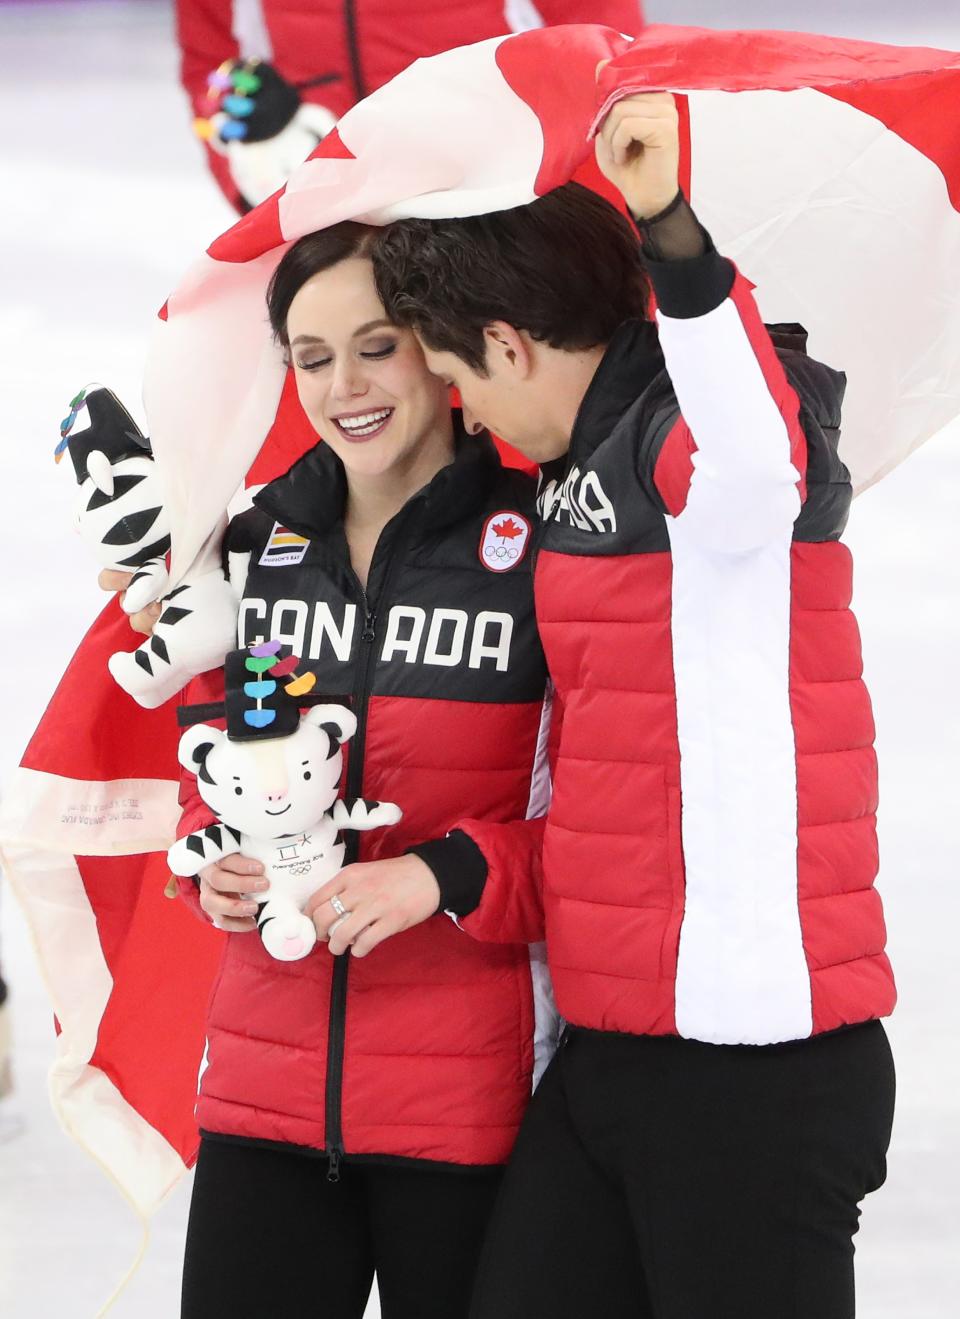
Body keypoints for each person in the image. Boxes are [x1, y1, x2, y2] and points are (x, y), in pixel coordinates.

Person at [307, 92, 897, 1318]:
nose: (460, 408)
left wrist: (670, 230)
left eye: (458, 372)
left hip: (754, 1074)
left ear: (510, 346)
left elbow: (754, 461)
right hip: (615, 1052)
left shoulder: (709, 452)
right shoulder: (580, 471)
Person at [104, 221, 565, 1318]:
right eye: (312, 357)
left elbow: (619, 823)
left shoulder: (540, 546)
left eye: (376, 345)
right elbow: (211, 764)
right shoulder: (251, 547)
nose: (344, 385)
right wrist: (209, 861)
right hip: (263, 1096)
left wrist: (445, 873)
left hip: (467, 1108)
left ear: (439, 349)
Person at [177, 0, 646, 211]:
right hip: (328, 210)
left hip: (501, 202)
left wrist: (590, 209)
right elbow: (209, 71)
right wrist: (251, 147)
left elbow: (609, 58)